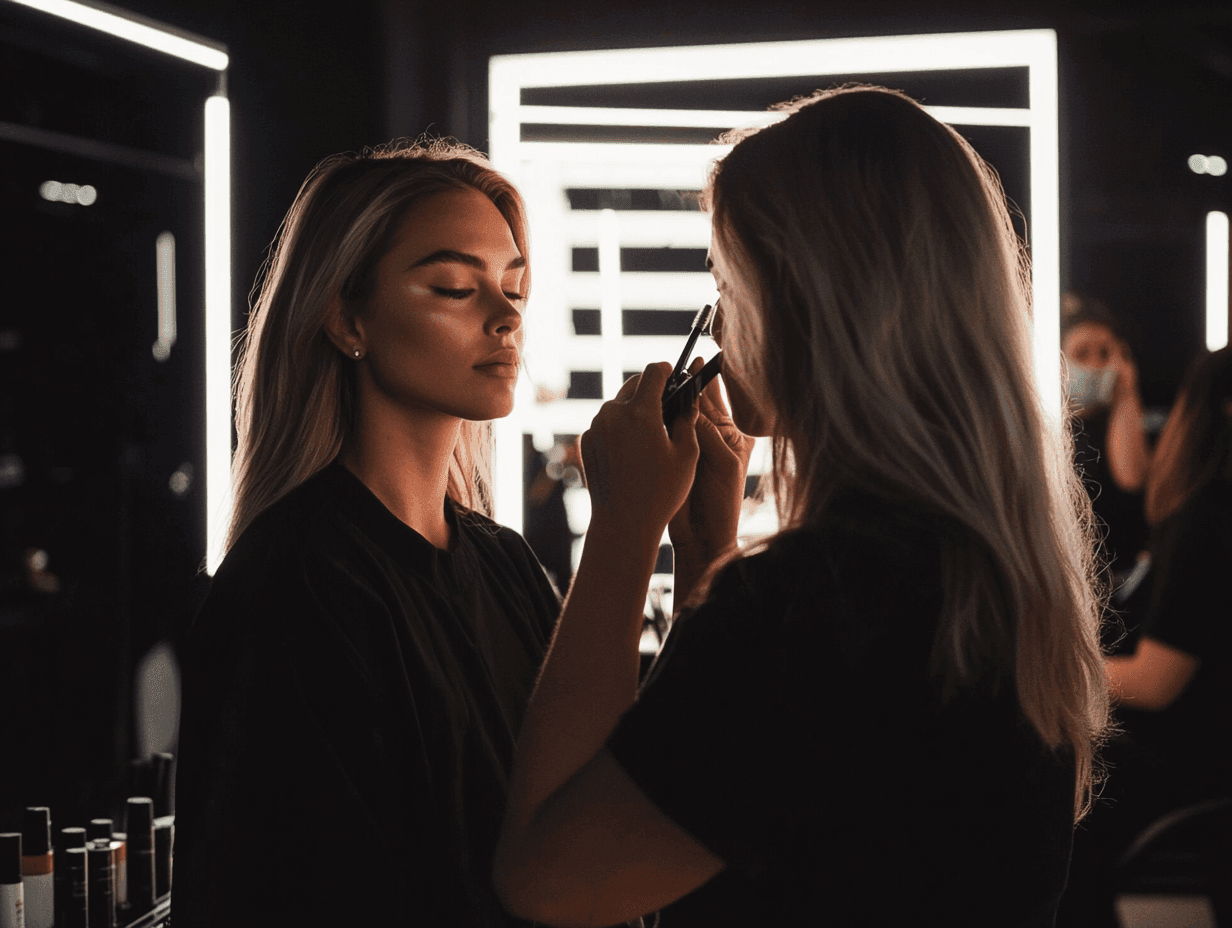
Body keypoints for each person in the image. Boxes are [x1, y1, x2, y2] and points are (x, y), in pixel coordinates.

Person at [492, 86, 1111, 927]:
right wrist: (705, 548)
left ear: (800, 300)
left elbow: (547, 879)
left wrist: (621, 532)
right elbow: (773, 801)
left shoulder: (821, 603)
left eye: (726, 284)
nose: (715, 328)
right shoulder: (988, 568)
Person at [172, 139, 560, 927]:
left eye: (514, 286)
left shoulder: (506, 564)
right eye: (454, 286)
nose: (506, 314)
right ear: (347, 317)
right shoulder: (295, 582)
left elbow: (590, 824)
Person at [1060, 346, 1232, 926]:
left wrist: (1054, 672)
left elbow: (1155, 684)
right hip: (1194, 739)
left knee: (1052, 774)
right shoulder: (1199, 516)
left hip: (1189, 756)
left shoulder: (1206, 523)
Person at [1062, 294, 1152, 587]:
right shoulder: (1047, 428)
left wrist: (1126, 393)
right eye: (1082, 353)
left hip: (1120, 583)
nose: (1095, 364)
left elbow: (1131, 480)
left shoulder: (1120, 420)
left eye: (1105, 353)